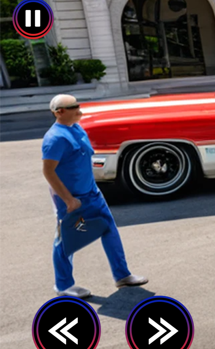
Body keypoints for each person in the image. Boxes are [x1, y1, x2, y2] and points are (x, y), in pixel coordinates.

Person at [42, 95, 147, 298]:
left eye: (78, 104)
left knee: (109, 230)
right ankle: (63, 286)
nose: (79, 109)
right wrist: (68, 200)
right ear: (59, 112)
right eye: (73, 107)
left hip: (92, 195)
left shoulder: (76, 128)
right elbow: (48, 172)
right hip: (73, 201)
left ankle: (122, 275)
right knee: (66, 241)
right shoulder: (55, 138)